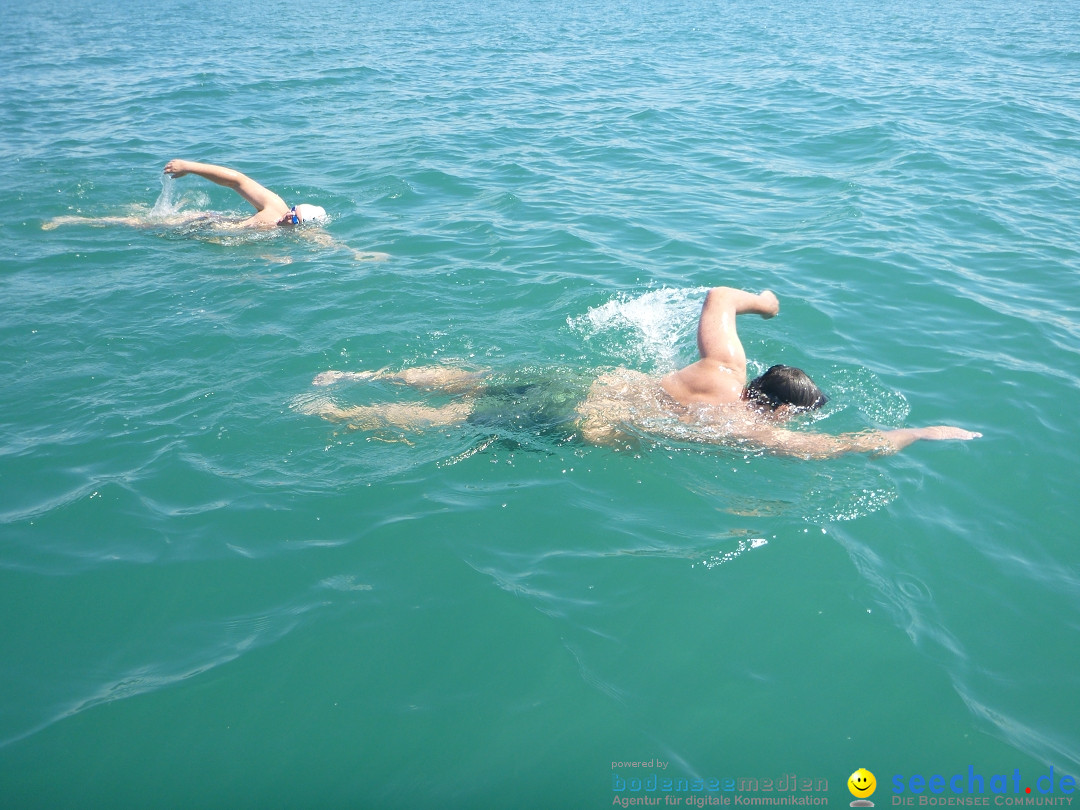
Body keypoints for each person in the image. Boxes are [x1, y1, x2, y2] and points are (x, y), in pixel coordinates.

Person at [301, 287, 982, 459]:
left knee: (472, 378)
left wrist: (766, 303)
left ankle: (353, 374)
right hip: (584, 418)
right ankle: (331, 416)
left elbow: (718, 295)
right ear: (776, 409)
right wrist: (923, 432)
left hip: (582, 380)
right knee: (455, 420)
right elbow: (838, 448)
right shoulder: (752, 429)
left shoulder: (725, 368)